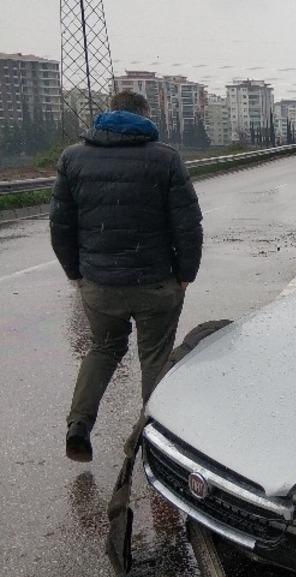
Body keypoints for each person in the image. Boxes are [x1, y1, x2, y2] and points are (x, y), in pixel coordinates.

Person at [50, 90, 203, 462]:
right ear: (145, 115)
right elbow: (188, 226)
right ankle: (151, 439)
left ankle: (79, 426)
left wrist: (76, 273)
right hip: (156, 283)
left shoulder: (73, 158)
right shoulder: (164, 158)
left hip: (100, 285)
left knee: (103, 349)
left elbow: (60, 226)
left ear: (109, 113)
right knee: (155, 357)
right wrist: (186, 273)